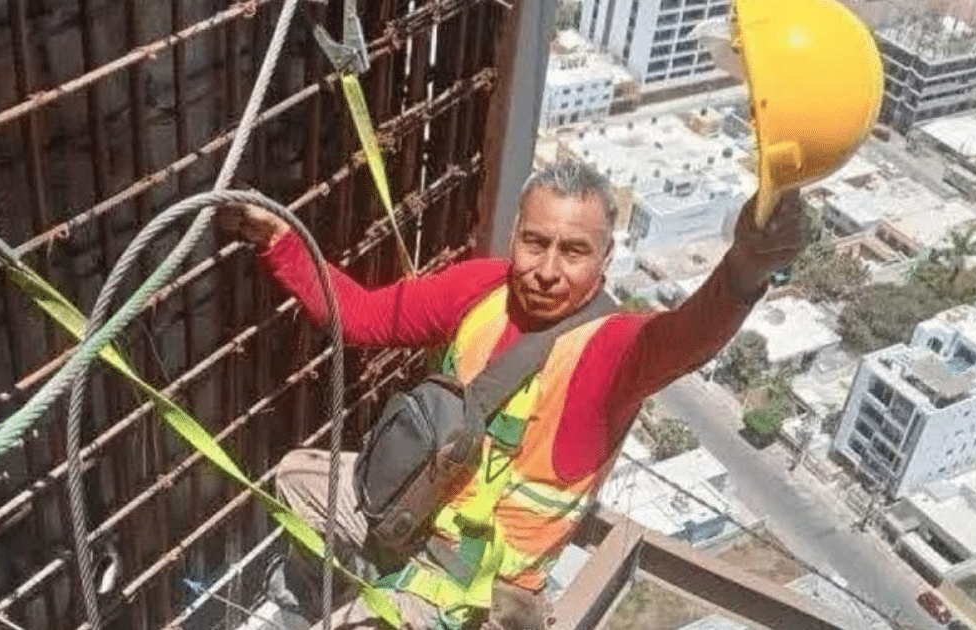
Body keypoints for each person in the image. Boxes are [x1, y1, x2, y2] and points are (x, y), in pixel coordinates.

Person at [217, 159, 808, 630]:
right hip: (416, 517)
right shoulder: (482, 290)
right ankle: (322, 594)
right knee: (297, 478)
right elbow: (364, 316)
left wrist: (743, 271)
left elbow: (686, 336)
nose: (547, 270)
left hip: (479, 592)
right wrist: (281, 242)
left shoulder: (613, 349)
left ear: (605, 259)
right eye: (535, 242)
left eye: (574, 251)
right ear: (515, 237)